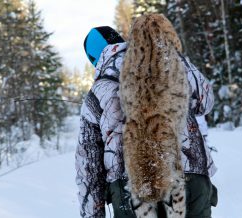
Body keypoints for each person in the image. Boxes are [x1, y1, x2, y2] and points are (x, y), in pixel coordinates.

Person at [75, 25, 218, 218]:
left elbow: (89, 167)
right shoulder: (166, 60)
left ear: (94, 59)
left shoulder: (96, 94)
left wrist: (93, 214)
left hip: (132, 187)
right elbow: (205, 102)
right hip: (190, 175)